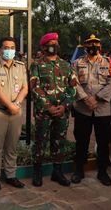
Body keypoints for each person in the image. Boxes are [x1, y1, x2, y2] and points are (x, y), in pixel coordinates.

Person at [30, 32, 78, 187]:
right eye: (50, 43)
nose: (54, 46)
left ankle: (57, 172)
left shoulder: (66, 65)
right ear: (43, 47)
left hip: (62, 112)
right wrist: (49, 107)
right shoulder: (36, 65)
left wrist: (64, 106)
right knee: (40, 142)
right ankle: (37, 172)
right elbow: (34, 87)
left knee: (59, 142)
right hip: (44, 112)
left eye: (55, 43)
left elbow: (73, 88)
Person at [71, 34, 111, 186]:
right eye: (90, 44)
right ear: (85, 47)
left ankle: (102, 171)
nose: (93, 46)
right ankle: (79, 170)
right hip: (83, 109)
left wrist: (96, 99)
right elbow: (73, 82)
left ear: (100, 47)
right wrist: (85, 98)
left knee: (103, 142)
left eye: (96, 44)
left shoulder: (109, 63)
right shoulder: (77, 63)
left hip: (102, 109)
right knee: (81, 141)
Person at [0, 37, 28, 191]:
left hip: (15, 112)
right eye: (5, 47)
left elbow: (25, 88)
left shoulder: (21, 66)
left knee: (12, 146)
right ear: (0, 50)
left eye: (12, 47)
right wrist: (10, 105)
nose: (9, 50)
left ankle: (11, 175)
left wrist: (16, 105)